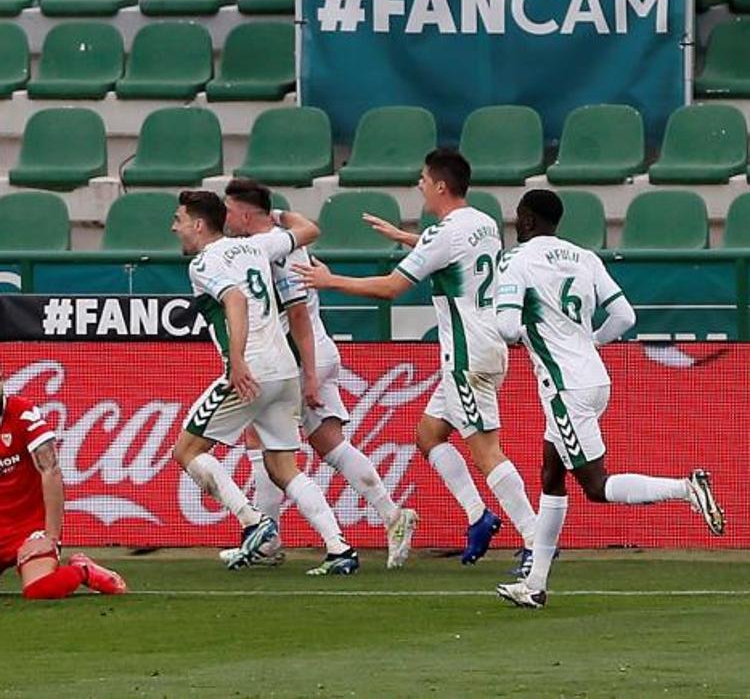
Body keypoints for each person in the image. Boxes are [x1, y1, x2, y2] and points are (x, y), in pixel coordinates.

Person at [294, 149, 537, 566]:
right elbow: (454, 254)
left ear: (441, 185)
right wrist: (409, 239)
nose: (419, 185)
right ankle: (479, 517)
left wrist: (329, 280)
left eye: (423, 179)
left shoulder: (442, 235)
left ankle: (536, 541)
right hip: (487, 343)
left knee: (486, 451)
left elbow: (391, 287)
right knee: (428, 435)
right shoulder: (485, 223)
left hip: (467, 354)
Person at [493, 190, 725, 609]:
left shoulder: (516, 260)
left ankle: (685, 489)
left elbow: (508, 327)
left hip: (565, 387)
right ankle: (535, 584)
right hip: (594, 377)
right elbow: (625, 317)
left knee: (595, 486)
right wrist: (590, 341)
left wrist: (519, 327)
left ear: (525, 220)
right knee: (551, 474)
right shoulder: (584, 257)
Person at [218, 178, 418, 570]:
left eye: (228, 210)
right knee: (329, 446)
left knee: (263, 443)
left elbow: (297, 315)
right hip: (308, 355)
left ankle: (267, 537)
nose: (225, 218)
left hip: (301, 357)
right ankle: (391, 516)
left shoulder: (280, 253)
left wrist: (309, 375)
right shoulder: (285, 239)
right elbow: (300, 226)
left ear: (244, 214)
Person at [171, 190, 359, 576]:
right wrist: (276, 213)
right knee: (283, 467)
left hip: (250, 370)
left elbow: (235, 300)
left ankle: (252, 522)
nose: (175, 228)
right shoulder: (258, 245)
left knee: (187, 451)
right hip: (285, 369)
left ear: (198, 224)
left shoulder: (204, 263)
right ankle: (339, 547)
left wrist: (236, 361)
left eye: (179, 220)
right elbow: (309, 229)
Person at [0, 367, 127, 599]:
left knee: (40, 591)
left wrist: (50, 537)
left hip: (29, 527)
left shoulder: (23, 414)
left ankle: (82, 570)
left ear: (2, 377)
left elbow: (51, 469)